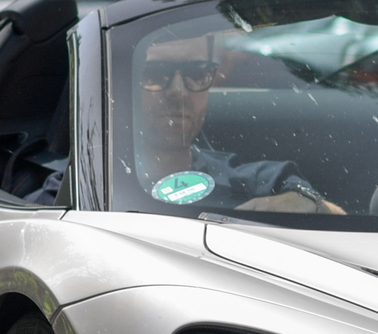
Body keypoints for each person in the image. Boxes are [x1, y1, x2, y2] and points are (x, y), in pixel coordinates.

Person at [134, 29, 340, 213]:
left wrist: (309, 205)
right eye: (154, 74)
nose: (179, 91)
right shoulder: (103, 189)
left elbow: (336, 218)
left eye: (196, 73)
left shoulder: (262, 185)